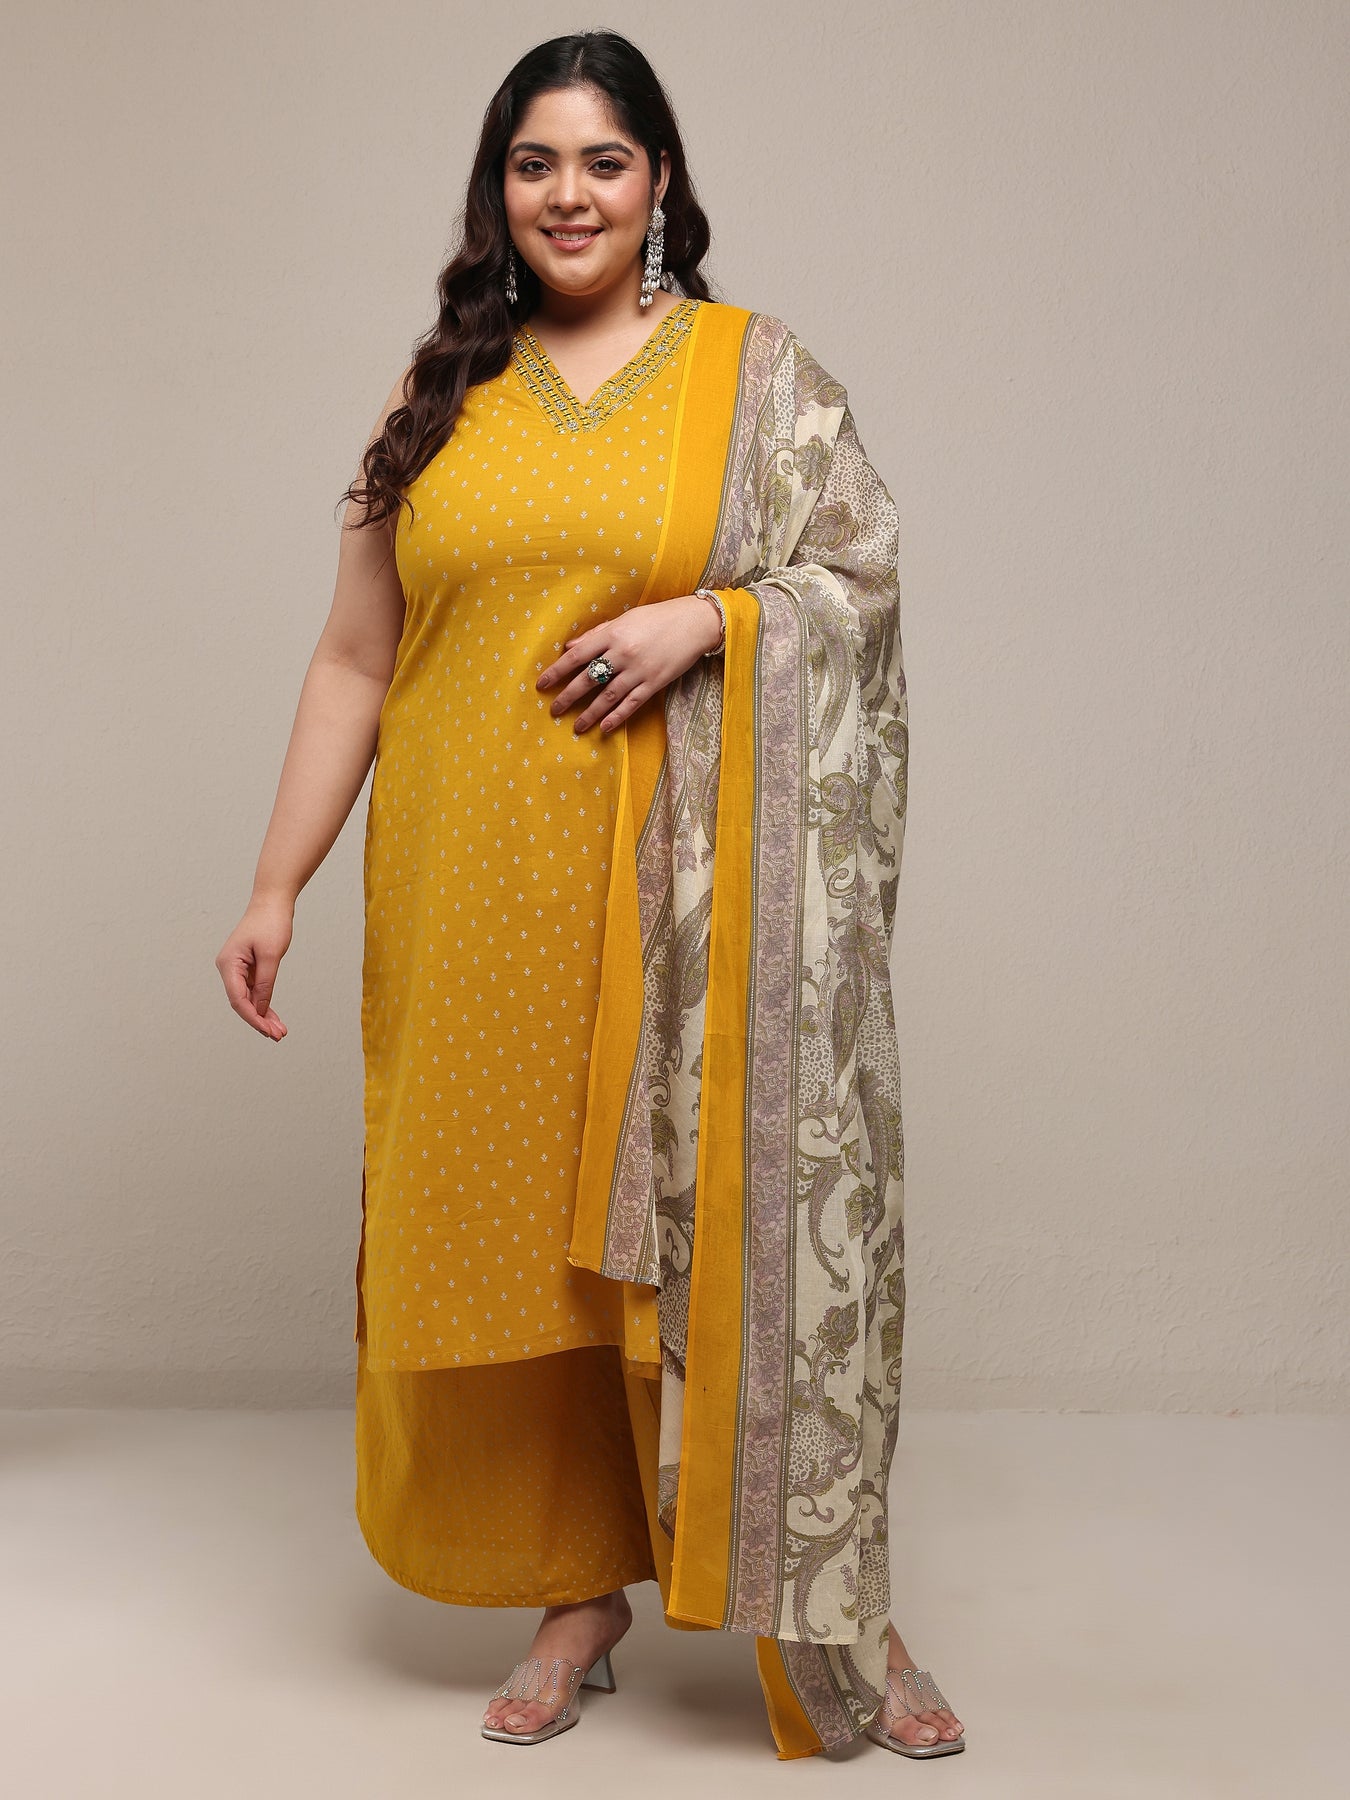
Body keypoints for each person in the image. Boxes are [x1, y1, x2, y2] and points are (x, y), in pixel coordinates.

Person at [215, 27, 963, 1763]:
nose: (569, 195)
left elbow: (856, 573)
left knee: (731, 1239)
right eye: (535, 163)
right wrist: (274, 883)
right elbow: (354, 659)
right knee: (527, 1266)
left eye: (604, 162)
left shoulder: (752, 376)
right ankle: (576, 1592)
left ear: (660, 182)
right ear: (498, 190)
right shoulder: (437, 397)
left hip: (685, 917)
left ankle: (836, 1600)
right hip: (470, 898)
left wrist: (714, 618)